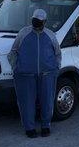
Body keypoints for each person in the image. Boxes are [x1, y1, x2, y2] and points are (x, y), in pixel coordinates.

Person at [8, 9, 61, 138]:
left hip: (47, 74)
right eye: (34, 20)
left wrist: (56, 68)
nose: (36, 23)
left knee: (47, 101)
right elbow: (13, 52)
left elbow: (57, 53)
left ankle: (46, 126)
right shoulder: (23, 33)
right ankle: (29, 128)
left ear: (45, 22)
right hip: (25, 75)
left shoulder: (50, 35)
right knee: (26, 102)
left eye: (39, 21)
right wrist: (16, 68)